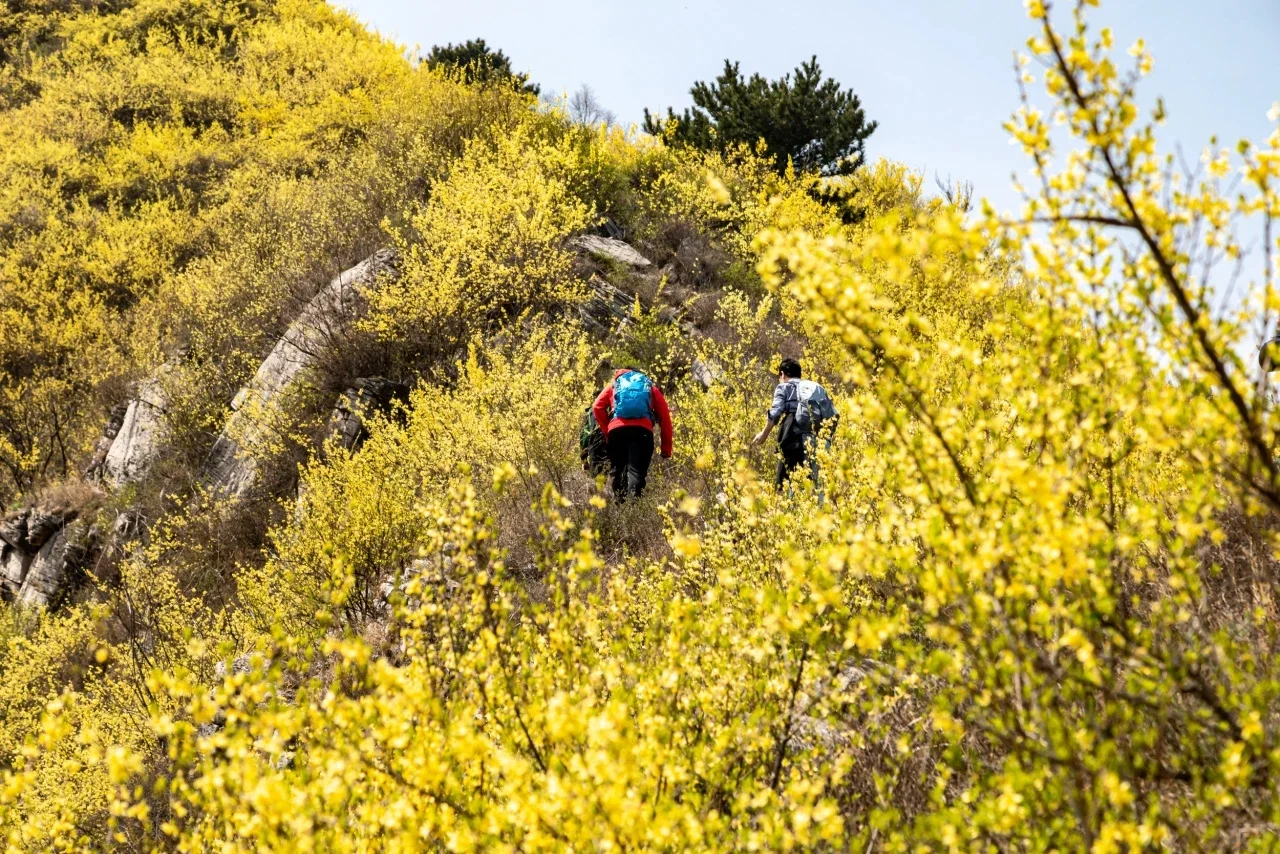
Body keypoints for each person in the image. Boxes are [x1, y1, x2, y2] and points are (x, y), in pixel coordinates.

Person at [752, 358, 837, 491]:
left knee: (789, 484)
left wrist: (764, 434)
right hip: (817, 440)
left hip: (794, 439)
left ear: (782, 374)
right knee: (813, 485)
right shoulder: (815, 388)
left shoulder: (784, 387)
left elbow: (776, 412)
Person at [592, 368, 673, 500]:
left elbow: (597, 406)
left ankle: (620, 506)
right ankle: (633, 506)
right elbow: (664, 415)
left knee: (618, 472)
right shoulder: (648, 386)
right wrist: (666, 448)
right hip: (642, 432)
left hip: (617, 431)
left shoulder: (615, 385)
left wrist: (608, 431)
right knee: (636, 472)